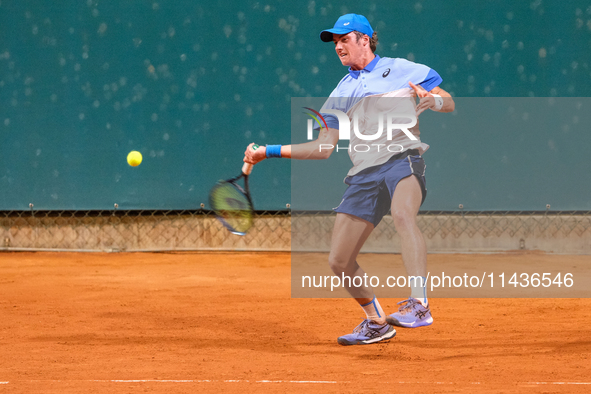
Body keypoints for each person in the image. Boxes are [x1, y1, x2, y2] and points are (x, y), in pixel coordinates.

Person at [244, 13, 455, 345]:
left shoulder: (401, 69)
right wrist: (268, 151)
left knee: (403, 214)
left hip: (402, 159)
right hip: (364, 173)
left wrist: (435, 99)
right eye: (335, 41)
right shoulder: (341, 92)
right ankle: (376, 323)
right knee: (339, 260)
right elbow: (322, 147)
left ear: (366, 39)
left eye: (345, 39)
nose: (338, 46)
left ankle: (419, 304)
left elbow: (448, 101)